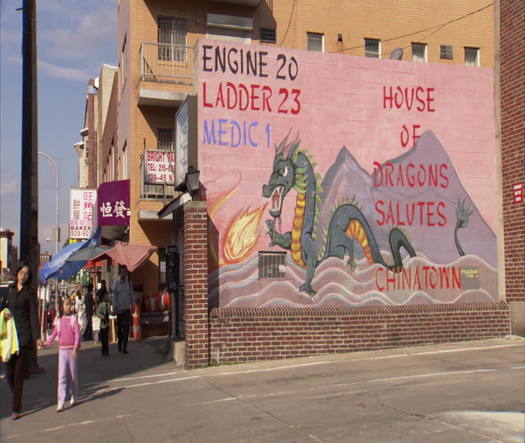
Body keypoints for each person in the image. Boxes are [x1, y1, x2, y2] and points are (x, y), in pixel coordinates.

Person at [2, 263, 42, 420]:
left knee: (18, 375)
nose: (23, 275)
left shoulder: (29, 293)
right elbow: (3, 307)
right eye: (22, 272)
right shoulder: (10, 290)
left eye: (26, 273)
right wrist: (4, 313)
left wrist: (37, 337)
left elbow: (33, 314)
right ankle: (16, 397)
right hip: (9, 337)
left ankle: (16, 408)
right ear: (17, 273)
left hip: (23, 336)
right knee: (9, 372)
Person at [44, 297, 80, 412]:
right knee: (62, 377)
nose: (68, 307)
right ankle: (61, 401)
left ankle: (74, 395)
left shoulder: (73, 320)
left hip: (71, 351)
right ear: (62, 307)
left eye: (70, 305)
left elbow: (77, 335)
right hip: (62, 351)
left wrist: (75, 348)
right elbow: (54, 334)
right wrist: (46, 343)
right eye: (66, 305)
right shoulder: (58, 321)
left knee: (73, 375)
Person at [112, 266, 133, 354]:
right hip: (119, 310)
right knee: (119, 329)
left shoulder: (129, 282)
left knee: (126, 329)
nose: (124, 274)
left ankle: (124, 348)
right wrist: (114, 307)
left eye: (125, 272)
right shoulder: (116, 283)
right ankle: (120, 345)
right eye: (122, 272)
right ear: (120, 273)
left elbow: (131, 294)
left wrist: (133, 305)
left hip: (127, 309)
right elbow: (114, 296)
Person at [96, 290, 110, 356]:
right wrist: (102, 316)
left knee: (106, 338)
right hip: (102, 324)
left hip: (107, 323)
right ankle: (103, 350)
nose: (107, 297)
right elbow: (97, 312)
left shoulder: (108, 304)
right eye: (106, 296)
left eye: (107, 296)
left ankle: (106, 351)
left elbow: (110, 312)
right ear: (104, 297)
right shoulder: (101, 305)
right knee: (103, 338)